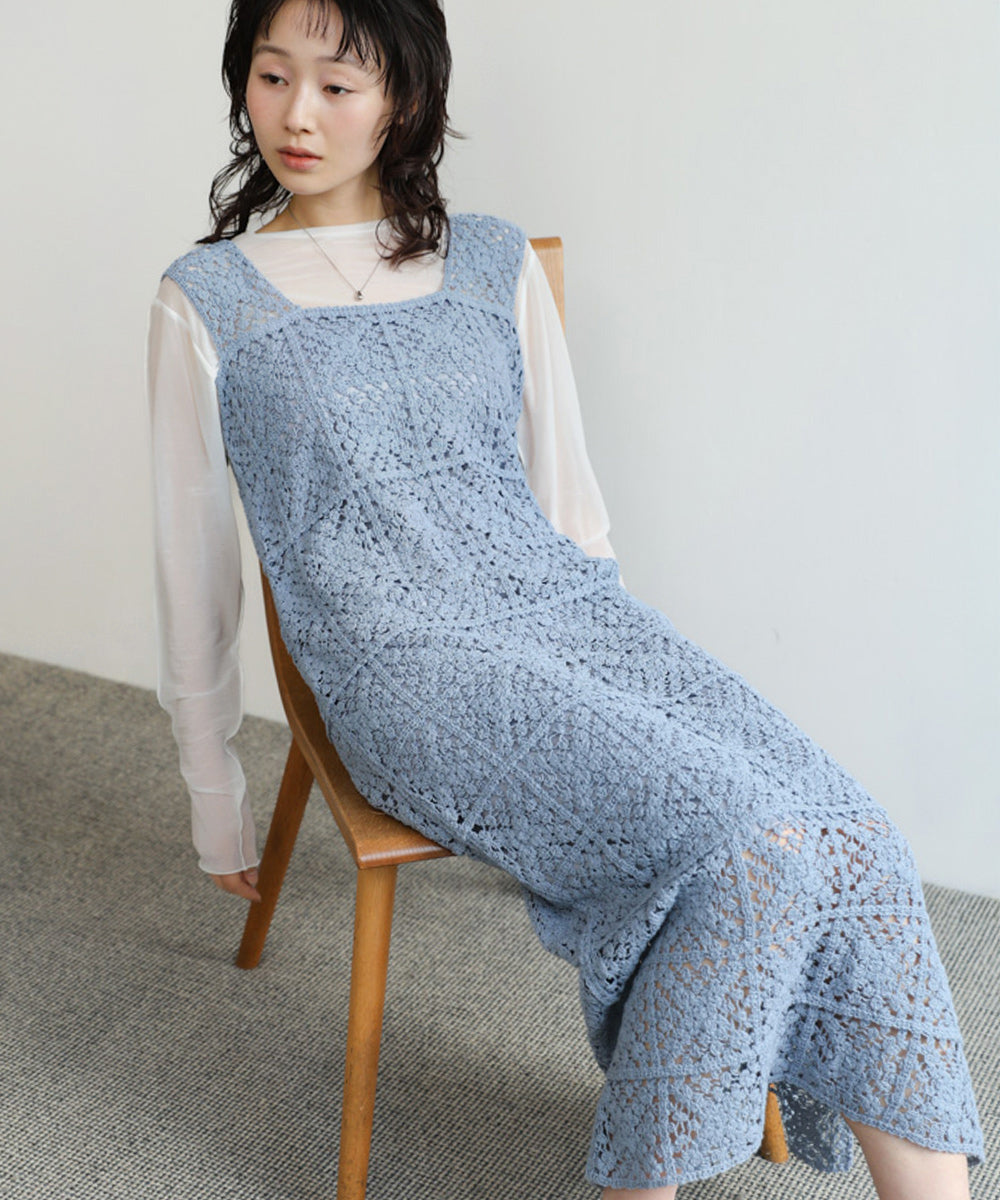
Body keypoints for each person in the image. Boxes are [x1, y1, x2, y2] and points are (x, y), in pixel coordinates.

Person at [147, 1, 983, 1196]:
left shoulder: (492, 261)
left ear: (404, 99)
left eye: (337, 84)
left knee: (851, 833)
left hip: (568, 622)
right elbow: (193, 568)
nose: (297, 114)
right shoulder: (205, 298)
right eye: (271, 76)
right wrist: (212, 796)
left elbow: (570, 512)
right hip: (402, 669)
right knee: (748, 845)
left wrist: (628, 682)